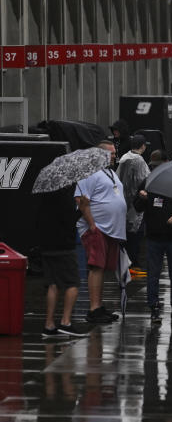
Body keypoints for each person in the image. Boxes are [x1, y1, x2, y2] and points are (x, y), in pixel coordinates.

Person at [75, 140, 126, 324]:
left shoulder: (110, 172)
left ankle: (98, 305)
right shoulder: (89, 173)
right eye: (110, 153)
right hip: (97, 228)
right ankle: (93, 309)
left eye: (114, 153)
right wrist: (92, 225)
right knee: (96, 267)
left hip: (110, 230)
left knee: (103, 268)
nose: (114, 156)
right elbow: (81, 200)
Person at [135, 180, 172, 324]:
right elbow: (137, 207)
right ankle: (154, 308)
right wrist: (142, 198)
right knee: (153, 275)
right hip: (154, 237)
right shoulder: (148, 183)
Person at [38, 185, 88, 337]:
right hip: (64, 247)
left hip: (47, 246)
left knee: (53, 285)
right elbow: (68, 221)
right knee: (72, 283)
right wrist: (82, 208)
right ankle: (66, 322)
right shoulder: (64, 196)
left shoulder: (46, 194)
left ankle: (49, 325)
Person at [116, 135, 150, 273]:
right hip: (136, 202)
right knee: (136, 234)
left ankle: (126, 262)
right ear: (143, 146)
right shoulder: (139, 160)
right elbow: (146, 180)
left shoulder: (125, 157)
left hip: (123, 201)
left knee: (126, 234)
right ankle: (133, 263)